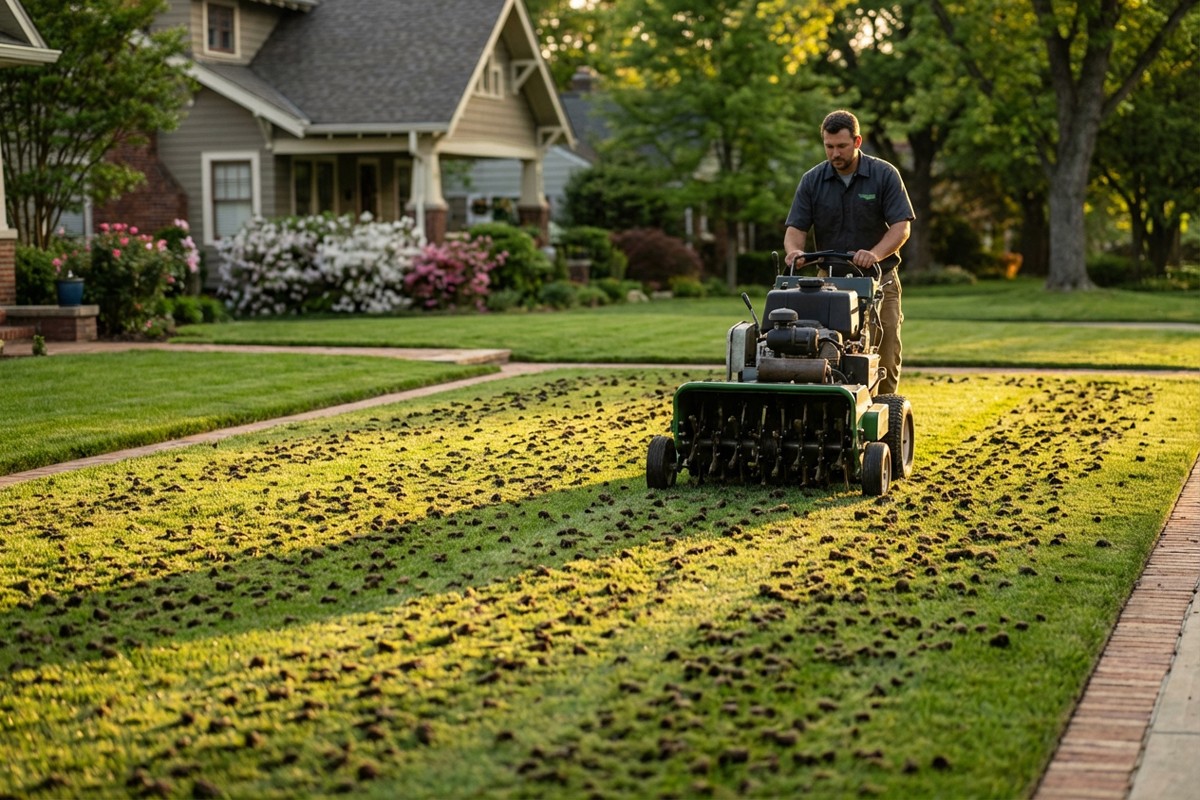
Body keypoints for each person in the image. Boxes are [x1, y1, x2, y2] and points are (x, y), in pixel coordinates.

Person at [783, 110, 914, 396]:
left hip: (878, 281)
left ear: (857, 141)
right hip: (828, 281)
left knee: (885, 354)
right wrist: (795, 252)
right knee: (821, 349)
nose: (835, 153)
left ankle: (886, 410)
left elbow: (901, 227)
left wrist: (875, 254)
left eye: (841, 146)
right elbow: (796, 228)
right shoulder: (812, 180)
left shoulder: (884, 175)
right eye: (829, 146)